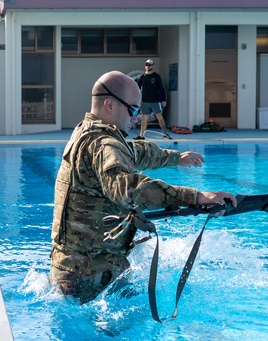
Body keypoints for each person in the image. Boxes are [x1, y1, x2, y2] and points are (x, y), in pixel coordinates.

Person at [49, 70, 235, 302]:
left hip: (69, 269)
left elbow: (135, 152)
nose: (137, 117)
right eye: (134, 109)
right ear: (110, 104)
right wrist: (195, 197)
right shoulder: (104, 144)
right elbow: (129, 188)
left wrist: (176, 158)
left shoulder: (85, 133)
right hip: (91, 277)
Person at [136, 58, 171, 140]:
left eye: (150, 65)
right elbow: (137, 88)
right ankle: (141, 135)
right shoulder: (142, 77)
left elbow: (161, 88)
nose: (148, 66)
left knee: (160, 117)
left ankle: (165, 133)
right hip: (145, 101)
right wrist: (137, 99)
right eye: (147, 65)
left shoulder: (156, 76)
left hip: (155, 101)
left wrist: (164, 99)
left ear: (153, 66)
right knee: (144, 118)